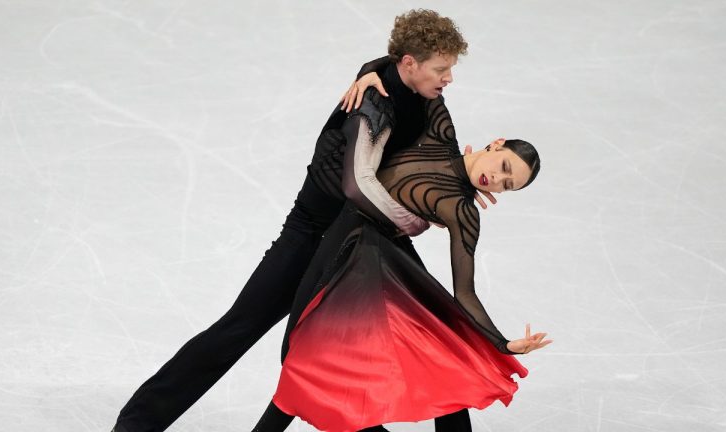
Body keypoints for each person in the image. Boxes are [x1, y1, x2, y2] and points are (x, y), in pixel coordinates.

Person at [112, 9, 478, 432]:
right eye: (441, 68)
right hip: (313, 233)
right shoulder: (369, 98)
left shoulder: (425, 99)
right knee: (241, 327)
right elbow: (354, 185)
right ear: (410, 63)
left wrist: (468, 188)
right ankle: (137, 423)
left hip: (370, 233)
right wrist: (414, 221)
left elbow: (442, 159)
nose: (449, 78)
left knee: (433, 332)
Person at [251, 95, 551, 432]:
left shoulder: (462, 212)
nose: (496, 179)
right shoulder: (440, 132)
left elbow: (465, 292)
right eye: (504, 167)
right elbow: (417, 80)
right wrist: (369, 73)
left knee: (307, 363)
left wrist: (503, 344)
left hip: (367, 265)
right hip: (336, 240)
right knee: (294, 354)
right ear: (496, 144)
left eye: (507, 185)